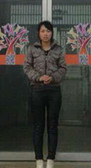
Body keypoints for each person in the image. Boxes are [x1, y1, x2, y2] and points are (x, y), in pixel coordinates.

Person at [23, 21, 67, 168]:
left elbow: (63, 68)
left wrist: (52, 78)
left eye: (48, 31)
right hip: (37, 90)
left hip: (54, 90)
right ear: (39, 33)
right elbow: (27, 67)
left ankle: (51, 160)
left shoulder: (59, 49)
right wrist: (39, 77)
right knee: (38, 126)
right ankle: (39, 160)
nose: (45, 34)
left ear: (52, 33)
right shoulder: (32, 49)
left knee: (53, 125)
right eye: (43, 31)